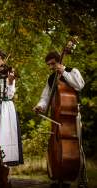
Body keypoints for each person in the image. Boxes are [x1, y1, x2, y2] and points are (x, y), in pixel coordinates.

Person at [33, 51, 87, 188]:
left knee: (78, 148)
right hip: (57, 117)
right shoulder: (51, 78)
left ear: (60, 61)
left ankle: (82, 180)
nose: (51, 67)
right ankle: (59, 176)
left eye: (53, 63)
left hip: (72, 115)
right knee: (57, 146)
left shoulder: (72, 71)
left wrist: (64, 72)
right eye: (48, 65)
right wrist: (40, 106)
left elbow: (79, 85)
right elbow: (45, 97)